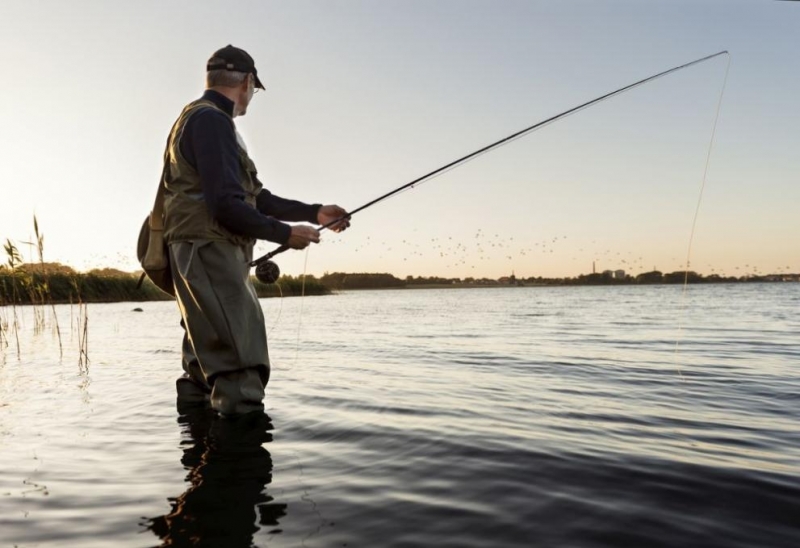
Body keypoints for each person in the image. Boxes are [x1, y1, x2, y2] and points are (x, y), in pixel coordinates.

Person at [162, 45, 349, 417]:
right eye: (253, 89)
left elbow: (253, 197)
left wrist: (313, 213)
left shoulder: (197, 118)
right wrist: (284, 234)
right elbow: (226, 205)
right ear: (248, 82)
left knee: (203, 363)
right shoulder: (213, 121)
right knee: (239, 367)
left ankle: (200, 458)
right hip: (211, 253)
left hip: (195, 252)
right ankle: (238, 470)